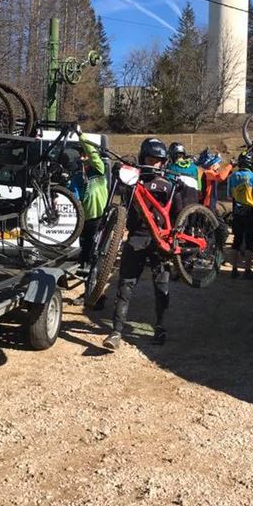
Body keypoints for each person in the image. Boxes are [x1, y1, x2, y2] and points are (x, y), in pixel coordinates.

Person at [103, 137, 172, 351]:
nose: (155, 164)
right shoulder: (132, 181)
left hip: (160, 239)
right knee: (126, 284)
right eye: (151, 159)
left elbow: (178, 215)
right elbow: (117, 193)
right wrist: (116, 171)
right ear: (143, 158)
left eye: (159, 161)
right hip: (136, 238)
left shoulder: (168, 185)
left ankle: (160, 327)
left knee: (161, 285)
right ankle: (116, 332)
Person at [66, 127, 109, 269]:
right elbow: (73, 194)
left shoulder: (99, 170)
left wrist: (81, 135)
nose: (83, 158)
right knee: (84, 245)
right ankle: (83, 267)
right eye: (81, 156)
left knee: (95, 245)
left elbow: (93, 154)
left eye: (85, 156)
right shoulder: (78, 177)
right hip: (84, 217)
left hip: (99, 216)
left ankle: (93, 268)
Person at [228, 151, 253, 280]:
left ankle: (234, 269)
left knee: (236, 240)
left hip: (237, 212)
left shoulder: (233, 176)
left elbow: (229, 194)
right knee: (250, 241)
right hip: (251, 211)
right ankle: (247, 270)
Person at [196, 147, 234, 212]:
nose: (219, 165)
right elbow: (221, 177)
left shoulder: (211, 173)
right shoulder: (208, 172)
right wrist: (230, 165)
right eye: (217, 163)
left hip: (211, 202)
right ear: (212, 165)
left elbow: (222, 175)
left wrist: (230, 169)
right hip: (208, 204)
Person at [166, 141, 200, 213]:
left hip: (180, 203)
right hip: (195, 200)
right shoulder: (194, 167)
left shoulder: (172, 168)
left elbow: (168, 185)